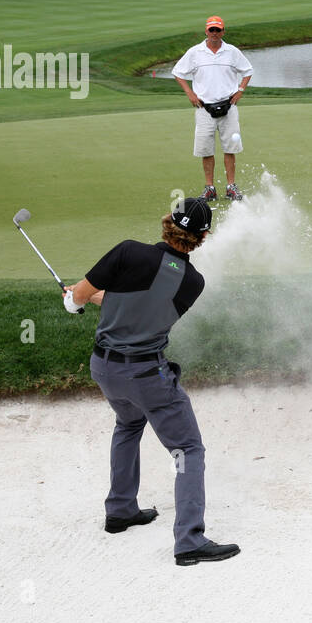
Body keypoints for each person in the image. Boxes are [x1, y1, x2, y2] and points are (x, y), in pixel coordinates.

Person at [63, 198, 240, 567]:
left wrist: (72, 300)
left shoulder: (128, 252)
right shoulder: (193, 282)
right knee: (189, 449)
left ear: (167, 222)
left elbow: (90, 296)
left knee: (128, 424)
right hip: (147, 376)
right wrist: (86, 298)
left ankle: (121, 510)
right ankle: (190, 540)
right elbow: (143, 307)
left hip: (104, 369)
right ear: (202, 236)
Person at [172, 16, 253, 201]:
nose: (214, 34)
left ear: (223, 31)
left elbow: (248, 71)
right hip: (204, 108)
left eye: (218, 30)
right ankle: (210, 188)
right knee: (206, 150)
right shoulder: (195, 52)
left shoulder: (232, 51)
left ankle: (231, 186)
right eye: (211, 30)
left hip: (229, 106)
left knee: (229, 148)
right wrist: (189, 93)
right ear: (206, 32)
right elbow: (178, 72)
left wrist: (240, 90)